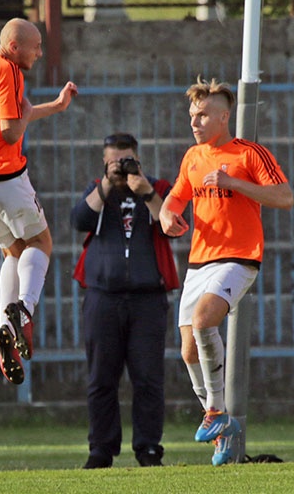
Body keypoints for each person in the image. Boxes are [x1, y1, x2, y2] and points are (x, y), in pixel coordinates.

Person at [159, 78, 293, 466]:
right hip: (200, 261)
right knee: (187, 351)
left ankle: (216, 413)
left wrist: (234, 182)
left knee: (204, 322)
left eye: (202, 115)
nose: (195, 122)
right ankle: (224, 430)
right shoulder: (192, 157)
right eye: (192, 115)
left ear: (223, 116)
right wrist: (168, 215)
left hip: (239, 256)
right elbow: (175, 198)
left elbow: (284, 197)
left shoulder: (249, 154)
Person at [0, 18, 78, 385]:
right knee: (41, 243)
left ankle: (5, 331)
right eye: (36, 46)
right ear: (14, 46)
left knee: (12, 251)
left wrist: (54, 107)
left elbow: (1, 118)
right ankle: (24, 309)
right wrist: (27, 113)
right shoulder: (9, 70)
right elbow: (11, 130)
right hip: (4, 178)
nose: (40, 53)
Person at [70, 132, 179, 469]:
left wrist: (143, 188)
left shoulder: (156, 189)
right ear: (104, 162)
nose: (121, 167)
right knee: (101, 378)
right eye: (114, 161)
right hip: (103, 297)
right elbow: (78, 221)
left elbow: (170, 224)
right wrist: (106, 185)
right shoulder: (97, 191)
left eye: (127, 160)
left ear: (138, 159)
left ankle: (148, 448)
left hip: (147, 298)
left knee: (148, 378)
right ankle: (100, 449)